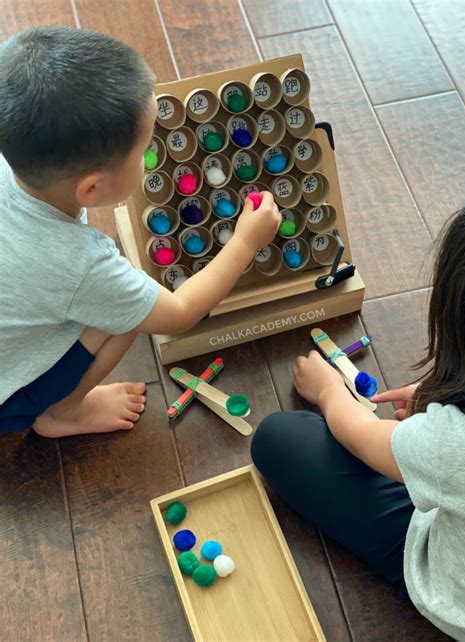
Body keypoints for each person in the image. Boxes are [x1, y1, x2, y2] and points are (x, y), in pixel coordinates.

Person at [0, 26, 281, 438]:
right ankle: (62, 412)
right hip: (9, 397)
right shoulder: (83, 267)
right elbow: (179, 313)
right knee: (129, 311)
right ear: (91, 188)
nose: (151, 158)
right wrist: (244, 242)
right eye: (144, 151)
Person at [252, 204, 465, 640]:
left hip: (458, 601)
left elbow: (360, 434)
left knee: (279, 438)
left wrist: (328, 389)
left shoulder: (455, 444)